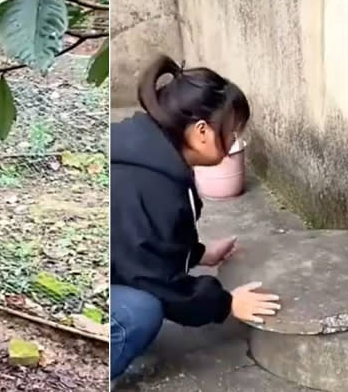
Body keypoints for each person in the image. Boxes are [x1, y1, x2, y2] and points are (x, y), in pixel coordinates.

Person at [110, 56, 281, 380]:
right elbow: (148, 278)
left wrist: (200, 253)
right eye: (231, 132)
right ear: (202, 131)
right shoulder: (145, 185)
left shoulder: (151, 153)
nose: (233, 141)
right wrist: (225, 303)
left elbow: (146, 242)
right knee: (141, 312)